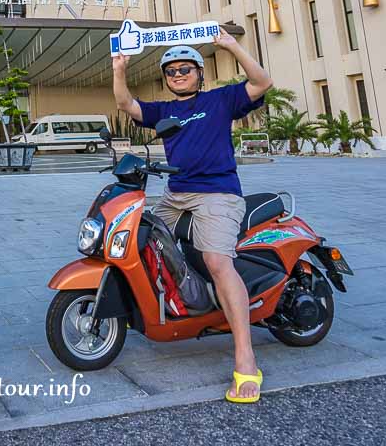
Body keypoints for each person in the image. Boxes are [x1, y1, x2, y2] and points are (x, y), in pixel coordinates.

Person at [113, 30, 272, 403]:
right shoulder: (164, 111)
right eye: (171, 71)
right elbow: (127, 105)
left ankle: (246, 358)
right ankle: (181, 302)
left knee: (218, 261)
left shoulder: (221, 100)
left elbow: (262, 82)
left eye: (186, 68)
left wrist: (230, 46)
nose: (178, 75)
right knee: (139, 242)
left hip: (217, 193)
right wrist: (120, 69)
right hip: (176, 193)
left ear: (200, 73)